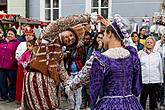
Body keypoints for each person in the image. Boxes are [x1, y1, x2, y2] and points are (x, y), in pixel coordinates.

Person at [66, 14, 143, 110]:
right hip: (130, 103)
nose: (103, 38)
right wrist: (112, 26)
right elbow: (128, 41)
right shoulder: (132, 55)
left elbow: (81, 79)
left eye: (105, 34)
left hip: (109, 104)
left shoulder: (100, 59)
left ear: (109, 34)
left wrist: (69, 86)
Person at [15, 14, 91, 110]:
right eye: (70, 35)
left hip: (48, 81)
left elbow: (61, 70)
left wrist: (69, 85)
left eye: (72, 40)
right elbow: (60, 23)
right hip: (37, 77)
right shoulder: (49, 34)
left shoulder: (59, 51)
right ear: (66, 30)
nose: (70, 39)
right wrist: (85, 18)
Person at [139, 36, 163, 110]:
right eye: (147, 42)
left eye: (151, 42)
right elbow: (138, 68)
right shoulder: (140, 53)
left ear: (154, 44)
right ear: (145, 44)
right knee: (142, 100)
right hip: (144, 80)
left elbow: (160, 67)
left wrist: (161, 80)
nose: (149, 44)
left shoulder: (157, 54)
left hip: (155, 80)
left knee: (153, 101)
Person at [0, 28, 20, 102]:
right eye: (9, 34)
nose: (9, 35)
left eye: (11, 34)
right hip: (1, 65)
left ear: (15, 35)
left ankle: (11, 96)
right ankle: (4, 95)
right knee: (1, 81)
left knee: (12, 82)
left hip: (12, 66)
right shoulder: (2, 41)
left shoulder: (17, 43)